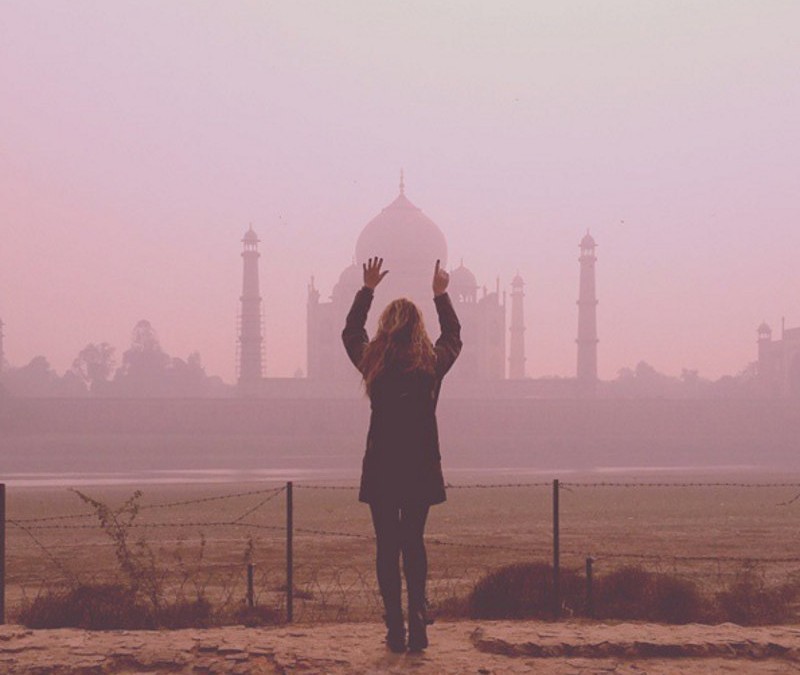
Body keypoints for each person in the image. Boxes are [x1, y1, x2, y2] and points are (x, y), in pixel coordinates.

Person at [342, 257, 462, 653]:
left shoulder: (374, 363)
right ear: (417, 329)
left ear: (386, 328)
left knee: (386, 545)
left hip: (382, 467)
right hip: (419, 466)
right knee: (413, 541)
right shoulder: (429, 364)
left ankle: (395, 628)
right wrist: (441, 295)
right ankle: (418, 628)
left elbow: (351, 333)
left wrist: (367, 290)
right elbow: (454, 337)